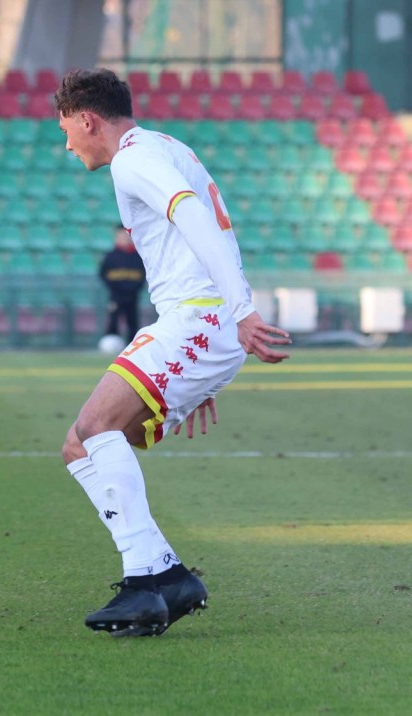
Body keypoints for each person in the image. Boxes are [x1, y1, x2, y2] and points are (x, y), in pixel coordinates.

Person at [54, 69, 291, 637]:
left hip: (200, 317)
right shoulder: (166, 146)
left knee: (88, 434)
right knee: (85, 444)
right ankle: (168, 577)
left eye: (65, 129)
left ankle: (144, 582)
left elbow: (196, 220)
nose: (66, 144)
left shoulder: (135, 158)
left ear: (87, 119)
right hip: (195, 324)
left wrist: (239, 312)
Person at [99, 225, 146, 342]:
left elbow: (143, 276)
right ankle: (110, 343)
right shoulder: (111, 256)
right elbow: (103, 274)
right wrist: (116, 287)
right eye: (120, 235)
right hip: (116, 295)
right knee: (113, 320)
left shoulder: (138, 256)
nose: (124, 238)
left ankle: (132, 345)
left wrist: (133, 288)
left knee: (132, 322)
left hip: (132, 295)